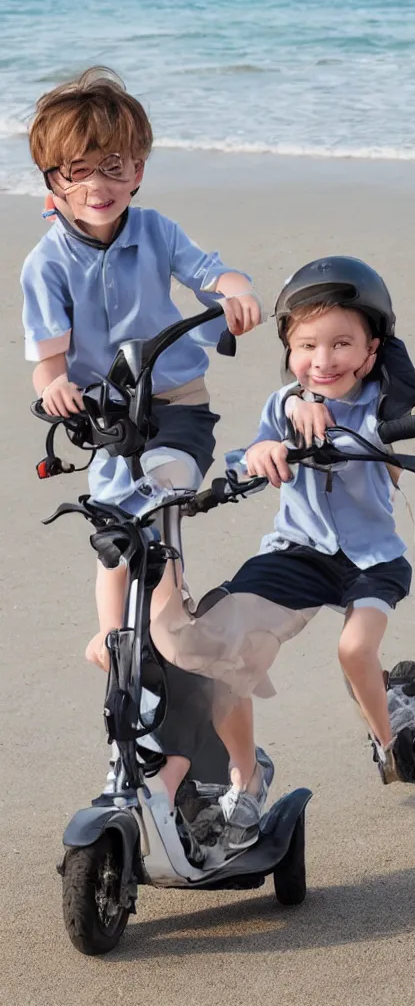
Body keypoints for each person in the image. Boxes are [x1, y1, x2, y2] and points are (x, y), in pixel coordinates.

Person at [20, 66, 261, 804]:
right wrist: (55, 389)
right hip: (103, 415)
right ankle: (115, 637)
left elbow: (211, 273)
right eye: (79, 171)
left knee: (164, 489)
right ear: (52, 183)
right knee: (111, 526)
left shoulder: (155, 229)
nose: (99, 184)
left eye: (115, 167)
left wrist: (235, 290)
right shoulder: (47, 261)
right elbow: (47, 367)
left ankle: (170, 613)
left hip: (176, 399)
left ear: (139, 170)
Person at [152, 257, 415, 849]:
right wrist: (266, 449)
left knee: (355, 649)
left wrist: (361, 440)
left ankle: (387, 733)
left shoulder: (386, 403)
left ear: (370, 349)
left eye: (342, 344)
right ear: (287, 346)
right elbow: (253, 450)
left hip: (371, 558)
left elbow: (394, 449)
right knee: (217, 650)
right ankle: (245, 775)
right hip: (296, 552)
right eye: (307, 344)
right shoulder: (284, 403)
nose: (324, 359)